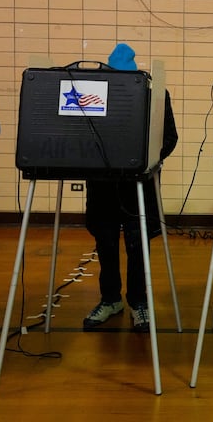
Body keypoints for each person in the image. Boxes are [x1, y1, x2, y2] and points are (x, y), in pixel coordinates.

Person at [82, 43, 178, 332]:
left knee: (138, 247)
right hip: (102, 187)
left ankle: (139, 301)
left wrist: (147, 160)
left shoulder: (155, 96)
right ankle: (110, 299)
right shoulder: (93, 96)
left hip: (138, 186)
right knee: (106, 244)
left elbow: (169, 137)